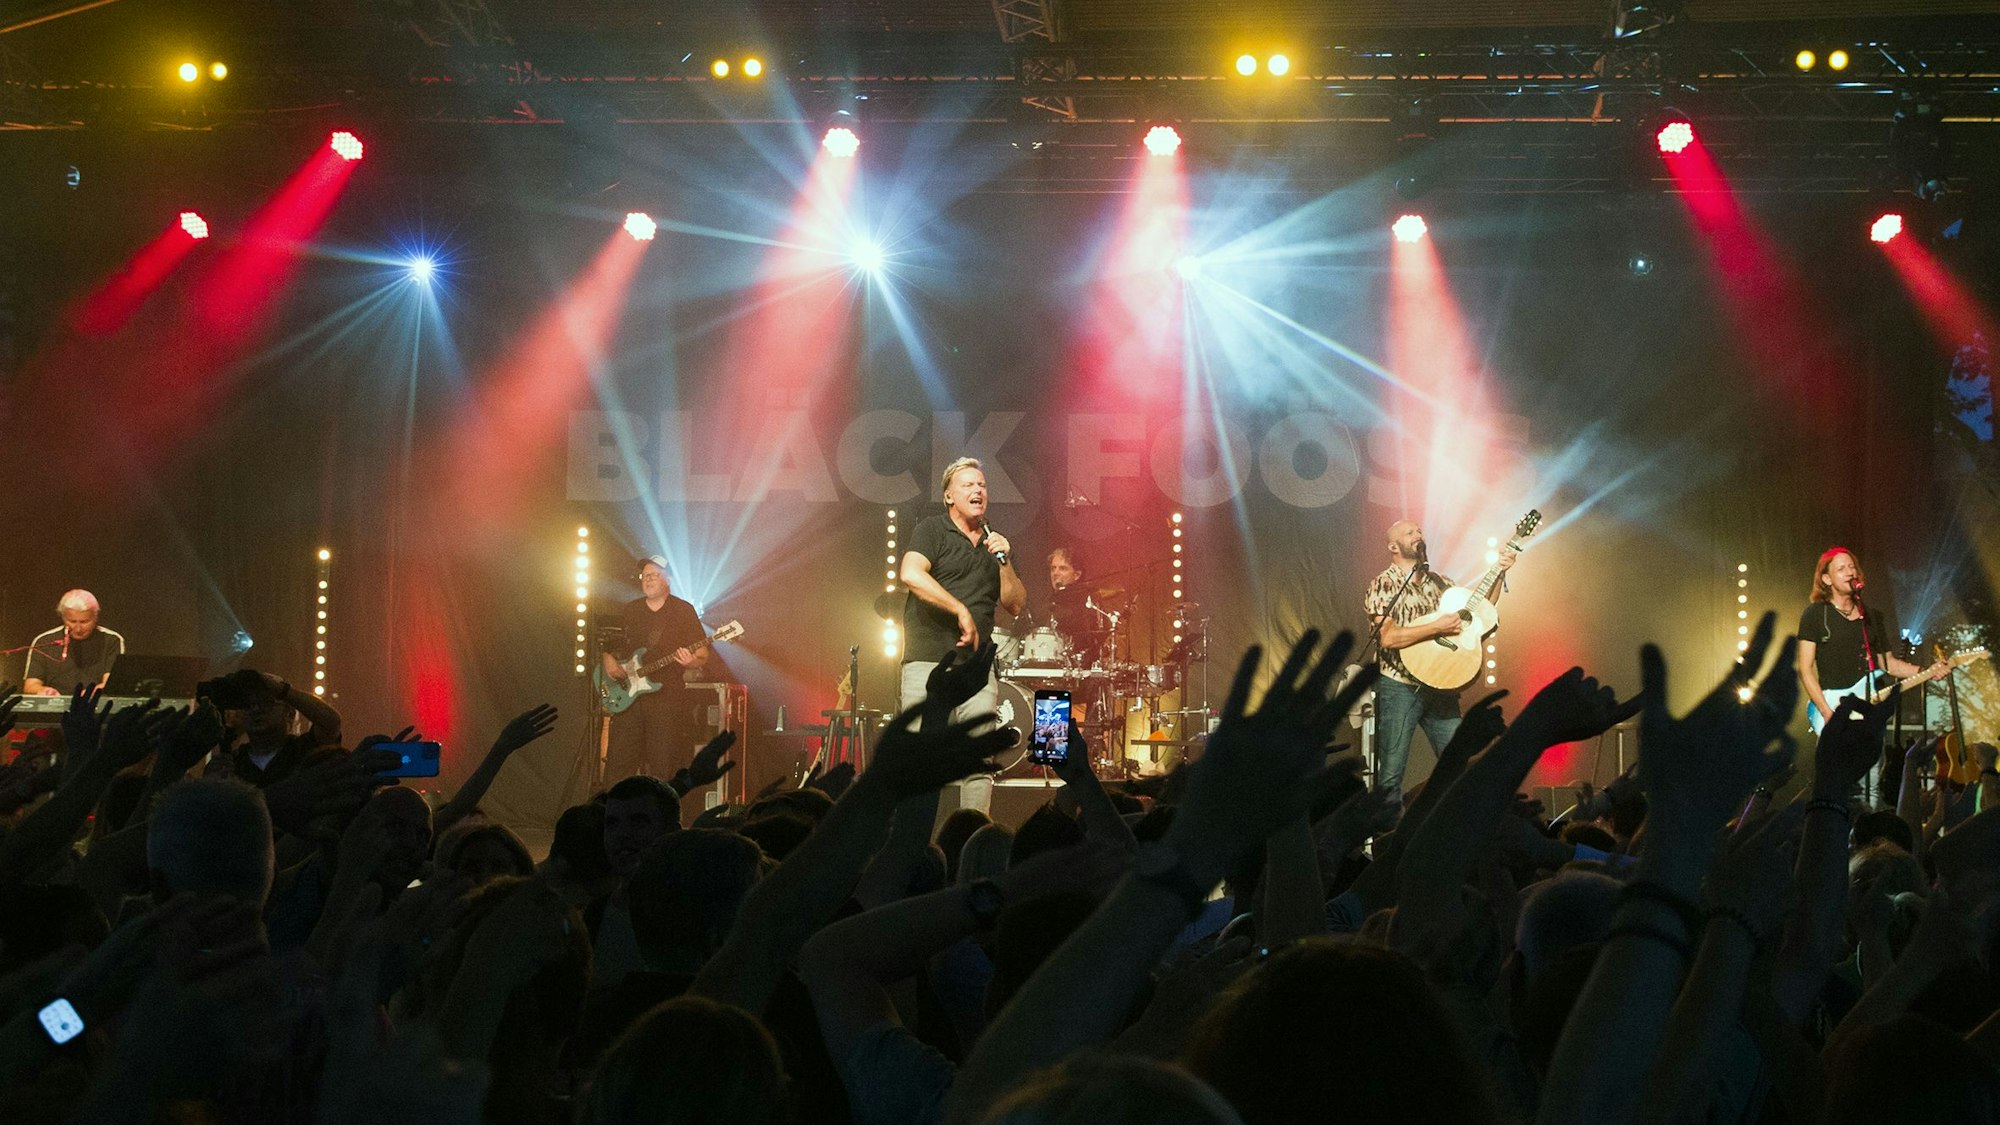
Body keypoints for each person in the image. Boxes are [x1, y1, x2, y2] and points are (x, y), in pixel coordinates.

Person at [1364, 519, 1515, 800]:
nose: (1417, 534)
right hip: (1399, 685)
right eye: (1409, 532)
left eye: (1419, 530)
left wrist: (1500, 573)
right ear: (1393, 546)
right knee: (1391, 775)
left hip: (1440, 684)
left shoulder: (1442, 583)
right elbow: (1388, 638)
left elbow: (1481, 610)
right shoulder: (1384, 584)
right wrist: (1437, 627)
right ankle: (1388, 840)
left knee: (1460, 764)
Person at [1795, 546, 1944, 801]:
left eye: (1852, 566)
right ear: (1826, 579)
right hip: (1833, 710)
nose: (1849, 571)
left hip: (1869, 715)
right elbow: (1805, 669)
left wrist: (1927, 671)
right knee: (1833, 785)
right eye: (1841, 568)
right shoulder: (1816, 615)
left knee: (1871, 785)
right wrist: (1827, 713)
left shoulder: (1871, 617)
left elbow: (1888, 664)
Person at [898, 457, 1027, 721]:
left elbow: (1016, 604)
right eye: (968, 485)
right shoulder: (933, 530)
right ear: (949, 496)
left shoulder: (996, 542)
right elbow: (911, 573)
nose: (978, 490)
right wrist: (960, 611)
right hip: (928, 660)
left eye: (981, 485)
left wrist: (1005, 563)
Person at [602, 554, 709, 781]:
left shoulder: (683, 610)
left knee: (662, 766)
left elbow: (702, 654)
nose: (648, 580)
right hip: (629, 699)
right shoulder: (631, 610)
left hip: (665, 700)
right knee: (618, 766)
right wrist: (608, 658)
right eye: (645, 575)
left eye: (654, 575)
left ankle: (661, 814)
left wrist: (691, 662)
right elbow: (613, 645)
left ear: (667, 580)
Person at [21, 589, 124, 697]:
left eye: (84, 622)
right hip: (55, 708)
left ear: (95, 617)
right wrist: (43, 690)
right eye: (72, 621)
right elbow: (30, 685)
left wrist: (90, 693)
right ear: (63, 617)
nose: (78, 629)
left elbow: (111, 685)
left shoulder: (111, 640)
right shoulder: (44, 641)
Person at [1044, 548, 1106, 665]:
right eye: (1053, 568)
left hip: (1079, 667)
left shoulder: (1087, 602)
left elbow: (1096, 636)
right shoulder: (1046, 603)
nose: (1055, 573)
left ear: (1077, 575)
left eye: (1063, 568)